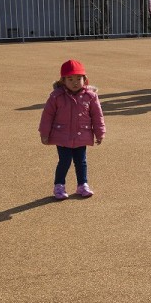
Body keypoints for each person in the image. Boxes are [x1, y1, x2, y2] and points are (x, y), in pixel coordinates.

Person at [39, 59, 106, 200]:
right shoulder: (56, 96)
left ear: (85, 79)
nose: (75, 82)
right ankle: (59, 185)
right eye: (70, 79)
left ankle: (82, 184)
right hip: (62, 135)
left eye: (78, 78)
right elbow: (47, 115)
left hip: (81, 134)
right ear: (63, 81)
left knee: (81, 161)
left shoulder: (90, 96)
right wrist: (44, 133)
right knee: (64, 161)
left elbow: (97, 115)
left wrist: (100, 133)